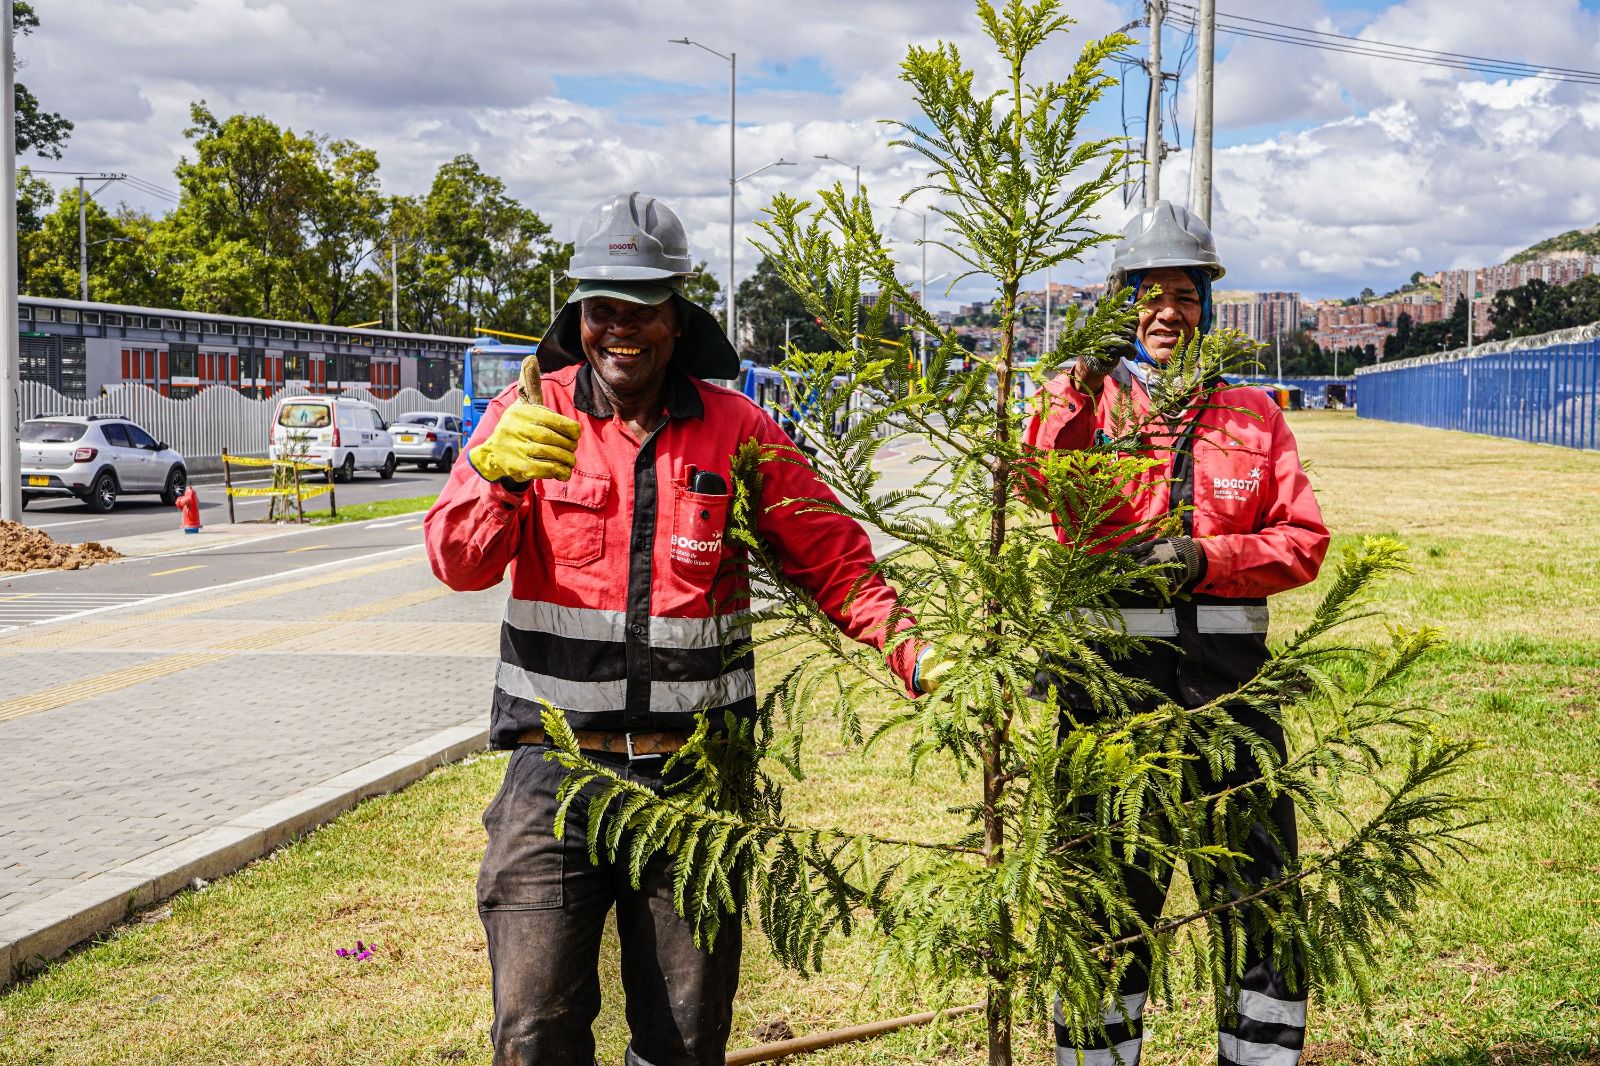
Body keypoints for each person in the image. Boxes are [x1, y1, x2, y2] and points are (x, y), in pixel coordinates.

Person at [425, 191, 947, 1066]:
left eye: (641, 308)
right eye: (600, 308)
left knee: (684, 1039)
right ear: (578, 316)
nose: (618, 327)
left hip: (693, 786)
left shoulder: (736, 429)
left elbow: (832, 559)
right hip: (555, 784)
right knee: (533, 1034)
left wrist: (918, 650)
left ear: (677, 316)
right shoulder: (529, 418)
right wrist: (492, 475)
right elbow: (458, 563)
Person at [1021, 200, 1329, 1066]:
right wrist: (1080, 382)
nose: (1166, 312)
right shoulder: (1082, 401)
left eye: (1184, 295)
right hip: (1106, 704)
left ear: (1206, 305)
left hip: (1232, 703)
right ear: (1121, 304)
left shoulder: (1253, 415)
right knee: (1105, 907)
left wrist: (1206, 560)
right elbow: (1044, 484)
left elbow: (1302, 542)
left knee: (1257, 904)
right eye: (1147, 295)